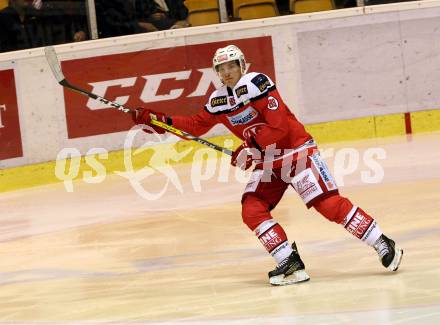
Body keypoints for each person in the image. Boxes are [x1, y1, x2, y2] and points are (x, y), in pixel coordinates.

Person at [132, 45, 403, 286]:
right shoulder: (218, 100)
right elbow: (194, 126)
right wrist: (156, 119)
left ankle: (382, 242)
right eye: (220, 68)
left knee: (329, 205)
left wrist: (249, 147)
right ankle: (290, 262)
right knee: (252, 209)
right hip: (268, 161)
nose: (226, 73)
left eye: (231, 66)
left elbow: (280, 128)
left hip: (296, 152)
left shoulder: (257, 84)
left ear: (242, 66)